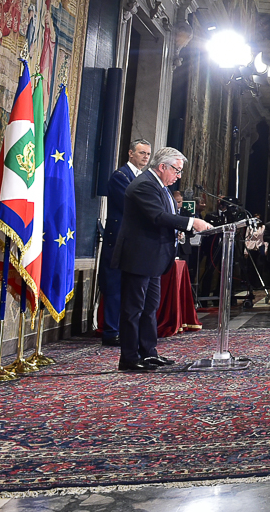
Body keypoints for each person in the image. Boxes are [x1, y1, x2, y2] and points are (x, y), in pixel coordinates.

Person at [110, 147, 209, 371]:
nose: (179, 175)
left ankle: (148, 352)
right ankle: (129, 357)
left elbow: (164, 219)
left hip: (154, 258)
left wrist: (180, 231)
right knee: (133, 309)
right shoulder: (145, 184)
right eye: (176, 170)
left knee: (150, 308)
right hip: (138, 257)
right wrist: (190, 222)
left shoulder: (161, 187)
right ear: (162, 166)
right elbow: (157, 216)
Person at [100, 139, 151, 347]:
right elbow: (131, 205)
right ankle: (111, 331)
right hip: (118, 240)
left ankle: (126, 330)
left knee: (131, 288)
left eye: (148, 154)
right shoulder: (120, 177)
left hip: (133, 241)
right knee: (113, 285)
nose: (146, 157)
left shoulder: (143, 178)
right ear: (130, 153)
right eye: (141, 153)